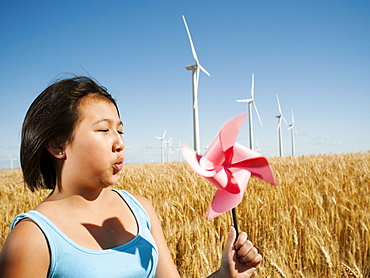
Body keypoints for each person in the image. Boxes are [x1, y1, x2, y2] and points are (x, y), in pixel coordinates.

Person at [0, 76, 262, 278]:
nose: (119, 143)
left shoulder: (140, 209)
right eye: (103, 129)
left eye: (120, 131)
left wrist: (224, 275)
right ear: (58, 145)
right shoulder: (32, 238)